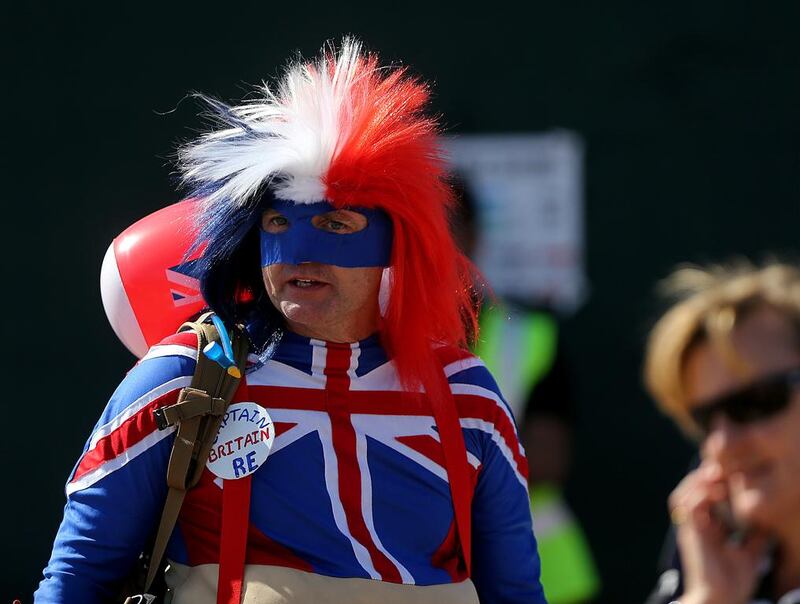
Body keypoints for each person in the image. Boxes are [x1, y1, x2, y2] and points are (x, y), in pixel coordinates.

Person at [34, 40, 547, 604]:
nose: (300, 254)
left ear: (395, 248)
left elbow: (516, 590)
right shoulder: (188, 379)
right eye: (278, 222)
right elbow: (80, 572)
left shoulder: (463, 393)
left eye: (336, 224)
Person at [644, 261, 800, 604]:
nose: (723, 443)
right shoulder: (707, 557)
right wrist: (709, 596)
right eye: (705, 419)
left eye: (756, 402)